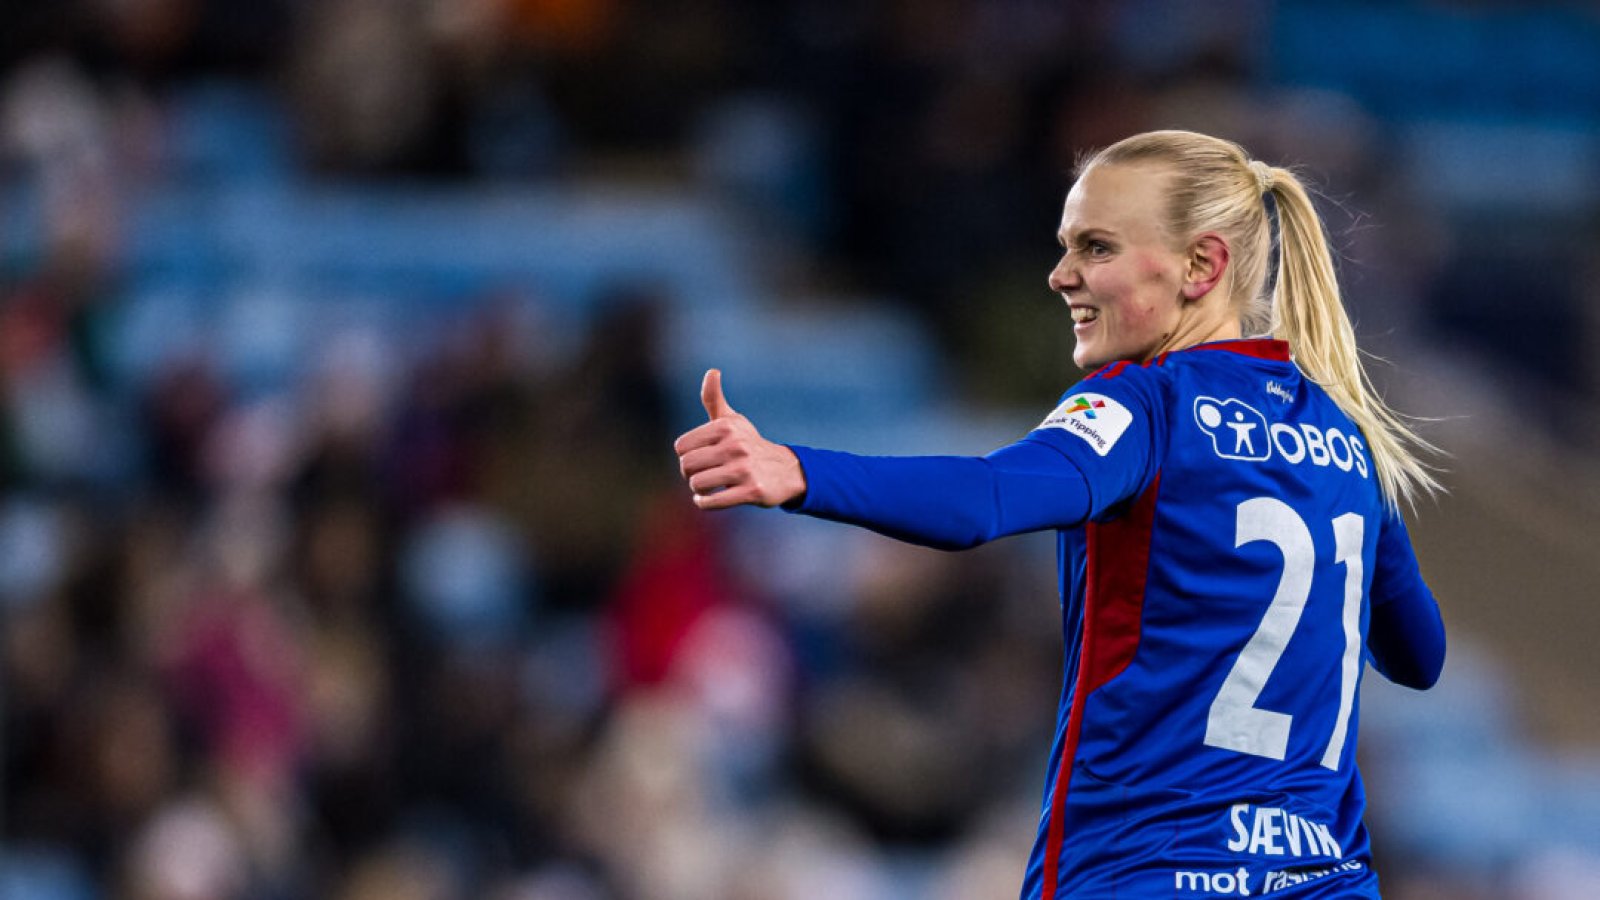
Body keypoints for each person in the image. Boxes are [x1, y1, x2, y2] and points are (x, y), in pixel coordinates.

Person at [673, 130, 1446, 899]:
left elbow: (987, 499)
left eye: (1096, 248)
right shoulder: (1346, 441)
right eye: (1065, 246)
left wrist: (800, 469)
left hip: (1148, 872)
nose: (1060, 275)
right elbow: (1419, 655)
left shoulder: (1144, 404)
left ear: (1203, 266)